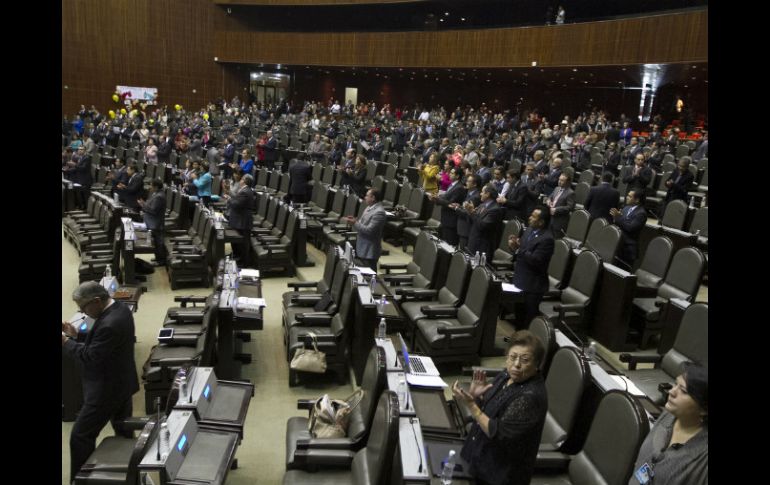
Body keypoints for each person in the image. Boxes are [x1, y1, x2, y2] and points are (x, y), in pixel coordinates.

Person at [61, 281, 140, 484]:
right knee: (123, 429)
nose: (81, 311)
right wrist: (77, 335)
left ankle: (80, 481)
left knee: (80, 436)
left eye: (83, 307)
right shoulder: (119, 309)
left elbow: (90, 356)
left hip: (105, 389)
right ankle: (127, 474)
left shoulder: (110, 323)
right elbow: (104, 342)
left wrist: (66, 342)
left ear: (96, 301)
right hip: (122, 383)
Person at [452, 330, 548, 485]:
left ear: (537, 364)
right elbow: (488, 411)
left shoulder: (530, 397)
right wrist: (476, 397)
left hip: (499, 474)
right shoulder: (507, 375)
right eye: (513, 357)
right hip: (478, 455)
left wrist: (471, 405)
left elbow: (496, 433)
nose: (516, 364)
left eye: (525, 359)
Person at [629, 363, 708, 485]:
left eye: (683, 391)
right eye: (676, 384)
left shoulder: (703, 458)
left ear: (704, 409)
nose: (671, 392)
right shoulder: (670, 414)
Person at [508, 206, 555, 328]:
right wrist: (514, 246)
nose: (530, 218)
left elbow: (536, 260)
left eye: (533, 216)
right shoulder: (529, 230)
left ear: (541, 222)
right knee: (518, 317)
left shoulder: (547, 239)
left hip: (533, 286)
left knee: (528, 321)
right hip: (520, 280)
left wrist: (519, 249)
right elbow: (521, 251)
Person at [345, 188, 387, 271]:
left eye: (367, 195)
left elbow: (369, 231)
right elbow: (361, 223)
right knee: (363, 275)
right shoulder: (368, 207)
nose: (365, 197)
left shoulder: (379, 212)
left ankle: (374, 284)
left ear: (373, 198)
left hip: (370, 250)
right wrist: (355, 220)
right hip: (362, 246)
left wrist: (355, 223)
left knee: (371, 276)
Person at [429, 166, 466, 245]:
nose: (449, 174)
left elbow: (450, 203)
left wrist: (437, 199)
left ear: (457, 176)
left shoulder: (459, 188)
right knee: (442, 243)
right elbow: (445, 198)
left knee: (449, 244)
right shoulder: (452, 185)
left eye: (452, 173)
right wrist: (436, 198)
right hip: (445, 218)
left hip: (451, 220)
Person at [611, 189, 647, 269]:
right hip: (618, 245)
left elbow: (630, 228)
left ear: (637, 200)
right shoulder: (626, 208)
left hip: (628, 250)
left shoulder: (641, 213)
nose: (626, 197)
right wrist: (616, 218)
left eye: (630, 196)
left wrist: (618, 217)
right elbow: (619, 223)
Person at [465, 184, 504, 258]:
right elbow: (473, 222)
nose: (480, 194)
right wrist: (469, 212)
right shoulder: (482, 205)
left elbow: (483, 226)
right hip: (473, 242)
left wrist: (472, 213)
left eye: (482, 192)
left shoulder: (495, 209)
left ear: (488, 194)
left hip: (482, 248)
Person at [226, 173, 256, 266]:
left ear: (245, 181)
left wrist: (228, 199)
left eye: (242, 179)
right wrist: (230, 195)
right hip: (239, 219)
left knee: (243, 244)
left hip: (242, 221)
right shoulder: (244, 190)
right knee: (237, 242)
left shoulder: (246, 192)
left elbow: (236, 204)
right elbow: (237, 199)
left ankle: (244, 262)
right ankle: (237, 256)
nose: (240, 180)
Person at [139, 178, 167, 266]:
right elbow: (150, 204)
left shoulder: (159, 196)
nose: (150, 187)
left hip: (156, 223)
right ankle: (158, 258)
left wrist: (143, 205)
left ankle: (161, 261)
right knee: (155, 242)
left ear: (156, 187)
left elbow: (154, 210)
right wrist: (145, 204)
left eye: (151, 185)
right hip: (152, 221)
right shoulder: (156, 193)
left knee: (159, 243)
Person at [546, 173, 575, 238]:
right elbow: (550, 197)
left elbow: (570, 207)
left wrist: (556, 209)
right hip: (550, 218)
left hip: (559, 221)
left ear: (567, 182)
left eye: (562, 180)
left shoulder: (571, 193)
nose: (559, 181)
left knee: (556, 239)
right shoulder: (556, 188)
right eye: (559, 179)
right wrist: (548, 201)